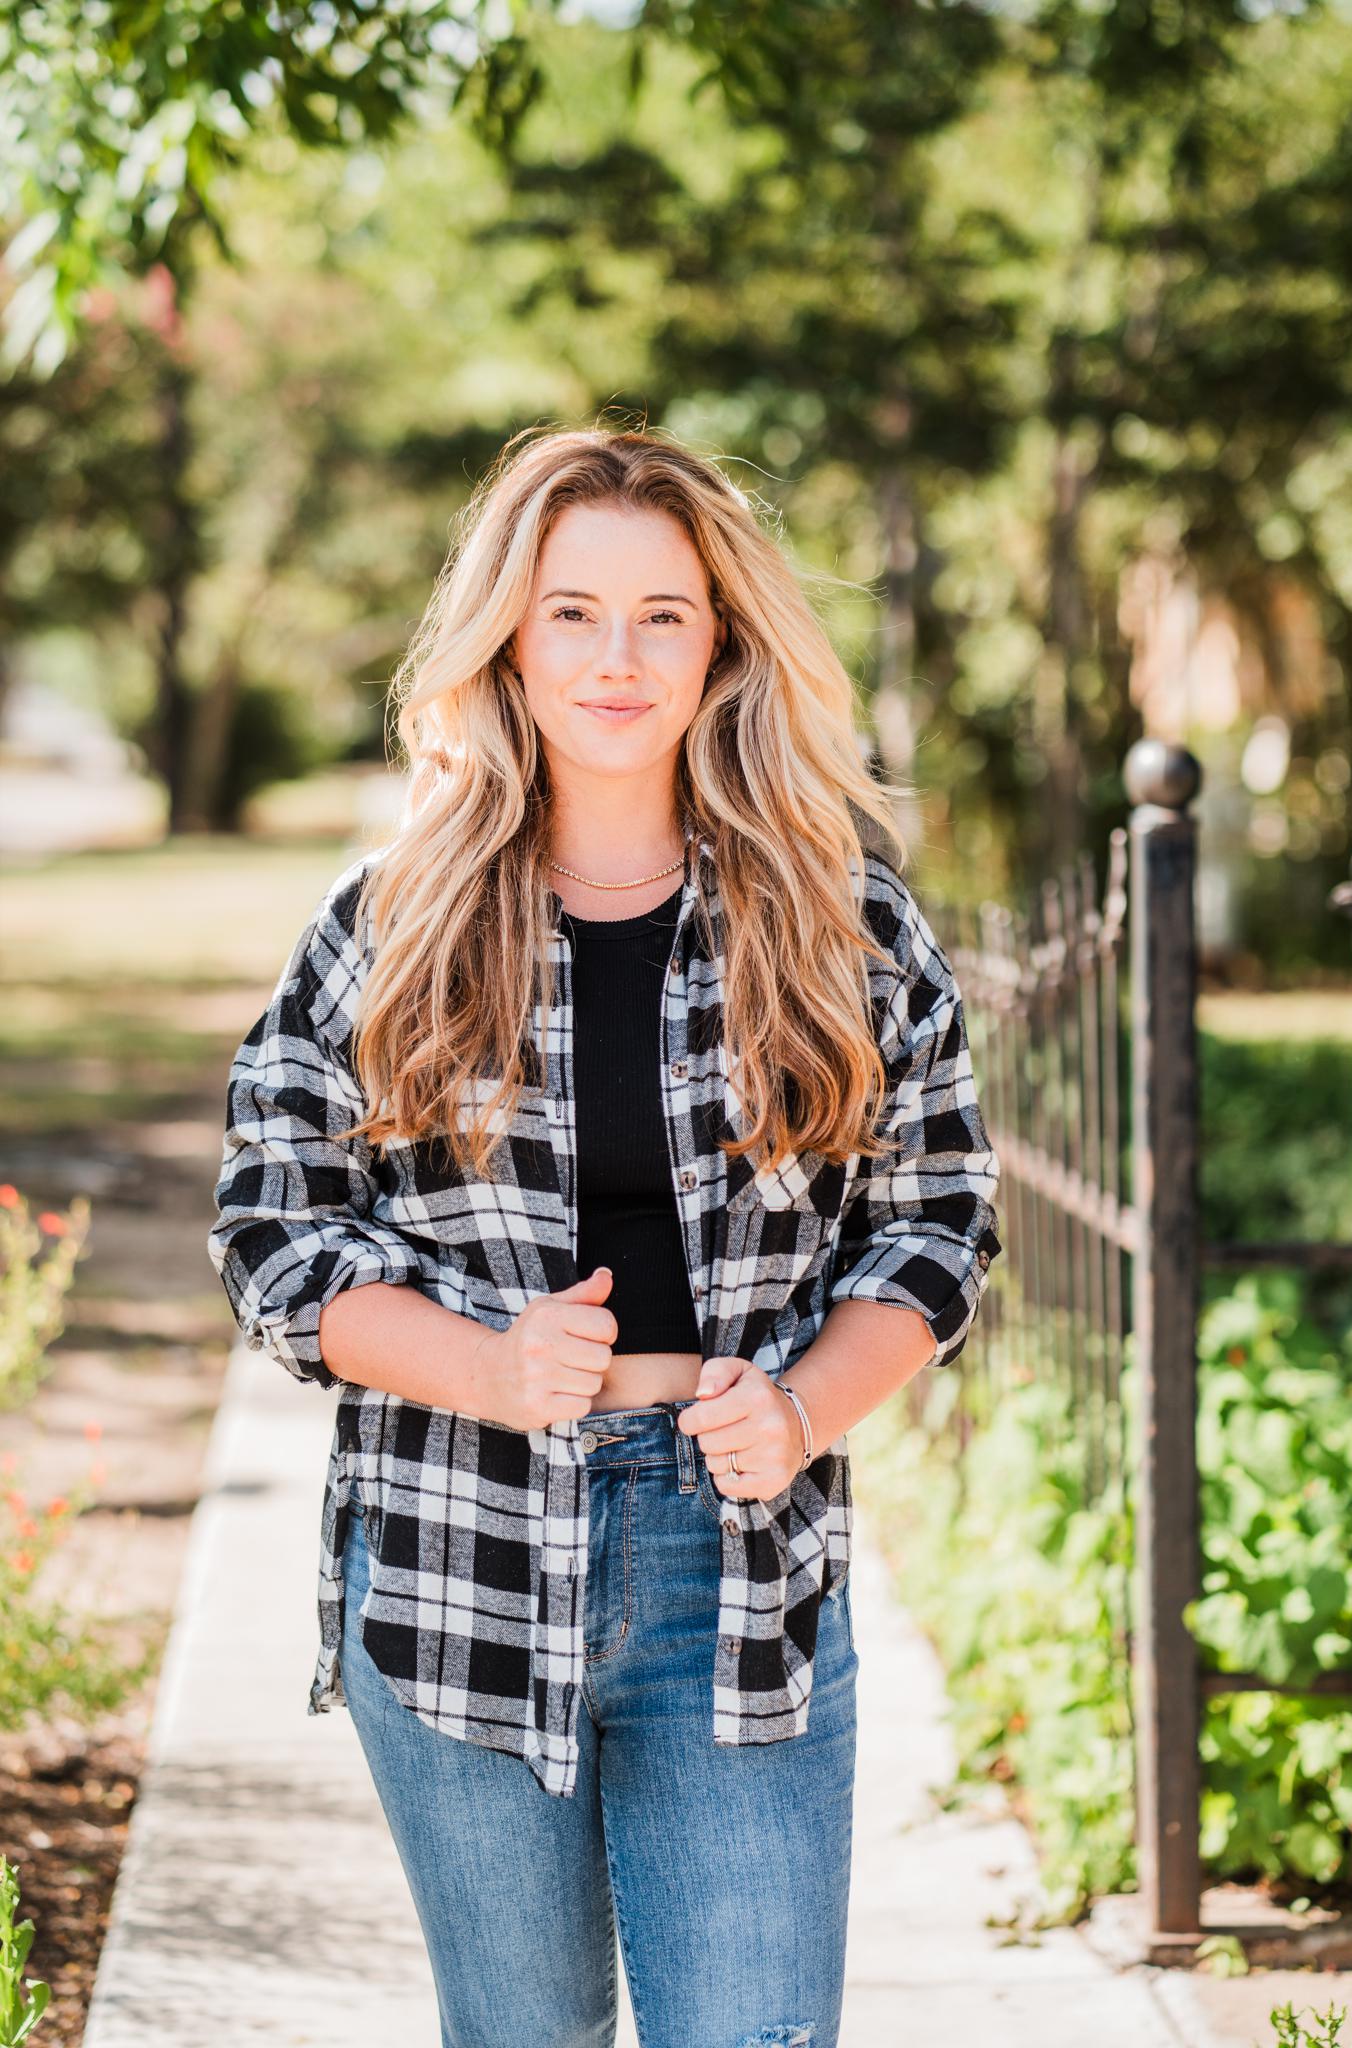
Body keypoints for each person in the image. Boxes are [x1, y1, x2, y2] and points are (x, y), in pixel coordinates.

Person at [208, 423, 1002, 2048]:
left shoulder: (838, 914)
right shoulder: (390, 918)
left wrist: (798, 1411)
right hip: (454, 1557)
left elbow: (935, 1218)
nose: (616, 656)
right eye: (571, 610)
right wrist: (489, 1366)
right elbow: (272, 1230)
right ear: (507, 630)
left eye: (662, 613)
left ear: (721, 641)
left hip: (740, 1571)